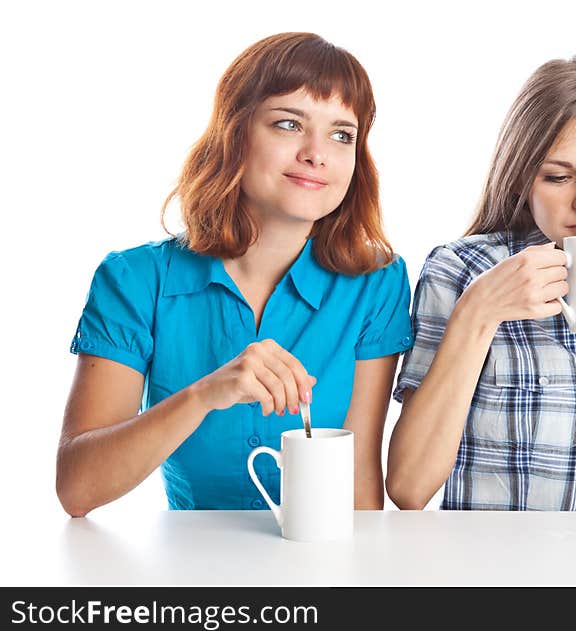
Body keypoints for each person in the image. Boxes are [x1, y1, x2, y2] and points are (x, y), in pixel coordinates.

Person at [58, 33, 412, 516]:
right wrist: (206, 393)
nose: (317, 153)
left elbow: (358, 482)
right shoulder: (135, 279)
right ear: (234, 134)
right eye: (289, 124)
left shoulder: (377, 280)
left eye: (341, 134)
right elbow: (77, 491)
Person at [387, 55, 576, 511]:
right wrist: (480, 312)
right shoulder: (459, 271)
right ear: (523, 179)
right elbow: (408, 488)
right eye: (558, 176)